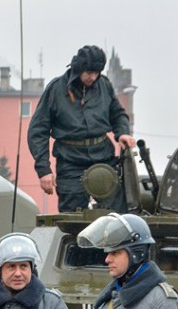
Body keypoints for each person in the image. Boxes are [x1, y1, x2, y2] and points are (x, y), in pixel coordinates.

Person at [28, 45, 135, 213]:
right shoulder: (56, 89)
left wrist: (122, 133)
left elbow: (118, 114)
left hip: (103, 157)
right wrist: (43, 170)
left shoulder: (104, 85)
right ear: (78, 68)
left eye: (97, 72)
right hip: (70, 161)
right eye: (89, 72)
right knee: (72, 215)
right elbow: (38, 131)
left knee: (117, 214)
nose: (93, 77)